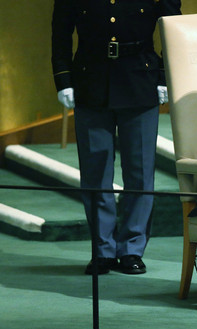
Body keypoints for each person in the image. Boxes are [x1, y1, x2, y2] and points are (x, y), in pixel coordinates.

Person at [51, 0, 181, 275]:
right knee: (95, 171)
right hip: (91, 81)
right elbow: (60, 32)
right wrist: (64, 79)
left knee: (140, 171)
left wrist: (163, 76)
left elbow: (172, 29)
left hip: (140, 80)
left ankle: (132, 249)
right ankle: (103, 250)